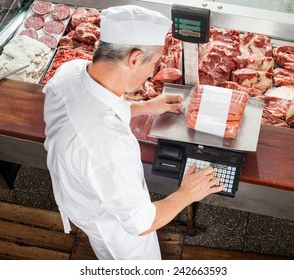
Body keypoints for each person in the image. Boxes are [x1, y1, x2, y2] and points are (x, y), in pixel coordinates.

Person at [43, 5, 224, 260]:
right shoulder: (109, 146)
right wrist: (187, 194)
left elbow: (91, 105)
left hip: (78, 190)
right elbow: (140, 223)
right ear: (135, 58)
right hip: (113, 227)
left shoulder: (69, 72)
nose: (152, 73)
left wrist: (146, 107)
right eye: (154, 62)